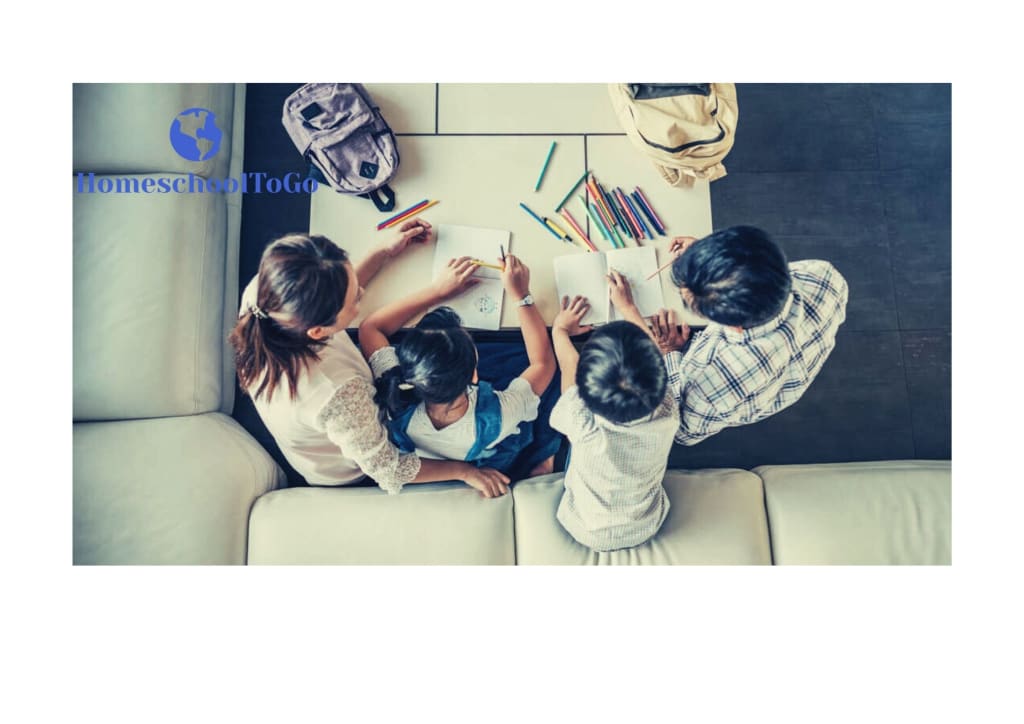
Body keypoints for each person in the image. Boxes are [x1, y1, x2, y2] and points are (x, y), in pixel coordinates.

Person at [228, 222, 511, 499]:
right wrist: (463, 471)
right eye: (354, 300)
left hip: (350, 413)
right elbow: (389, 469)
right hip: (354, 465)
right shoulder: (335, 393)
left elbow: (344, 302)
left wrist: (382, 253)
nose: (361, 293)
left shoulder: (266, 294)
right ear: (318, 331)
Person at [359, 254, 560, 480]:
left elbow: (370, 328)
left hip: (436, 448)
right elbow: (543, 363)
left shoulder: (393, 392)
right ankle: (545, 457)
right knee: (551, 372)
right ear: (475, 375)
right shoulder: (500, 413)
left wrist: (437, 291)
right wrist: (521, 295)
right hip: (489, 443)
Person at [653, 225, 849, 446]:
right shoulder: (822, 274)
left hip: (746, 389)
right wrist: (709, 260)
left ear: (732, 325)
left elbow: (682, 434)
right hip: (802, 355)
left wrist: (670, 351)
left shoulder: (711, 381)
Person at [547, 279, 680, 552]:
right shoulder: (668, 410)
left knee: (570, 438)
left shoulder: (581, 422)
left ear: (584, 390)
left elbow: (569, 367)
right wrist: (628, 307)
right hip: (646, 525)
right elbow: (655, 361)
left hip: (584, 527)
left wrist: (559, 329)